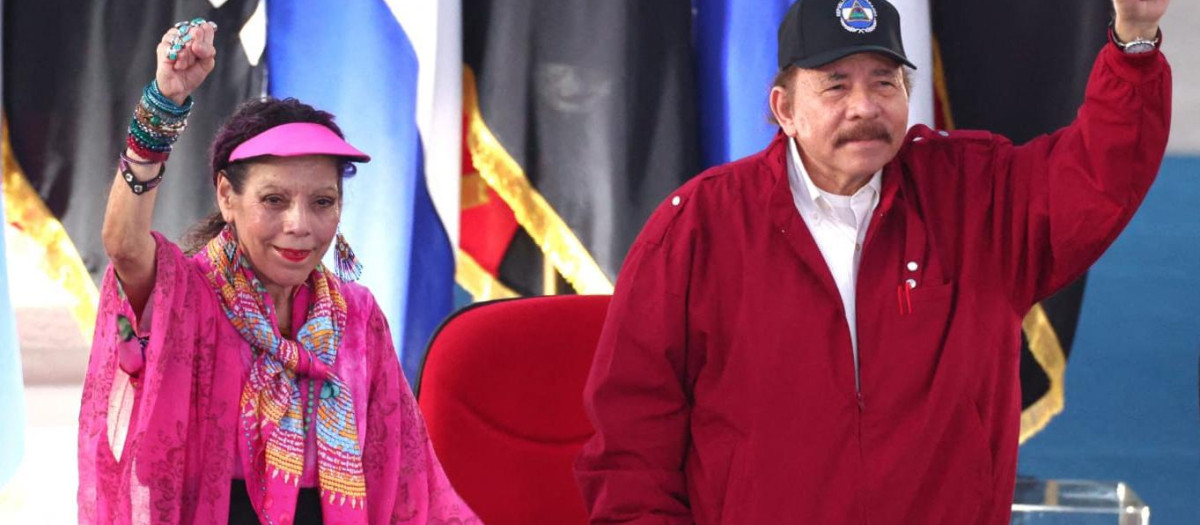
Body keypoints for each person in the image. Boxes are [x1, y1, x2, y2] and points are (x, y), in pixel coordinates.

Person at [574, 0, 1171, 523]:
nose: (865, 106)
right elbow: (632, 447)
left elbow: (1098, 176)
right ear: (783, 108)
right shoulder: (697, 229)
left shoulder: (977, 196)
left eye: (884, 82)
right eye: (836, 85)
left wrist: (1135, 37)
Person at [77, 18, 478, 525]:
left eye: (322, 202)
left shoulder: (356, 317)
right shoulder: (189, 298)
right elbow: (125, 247)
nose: (300, 225)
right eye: (274, 200)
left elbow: (408, 482)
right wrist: (163, 102)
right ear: (227, 196)